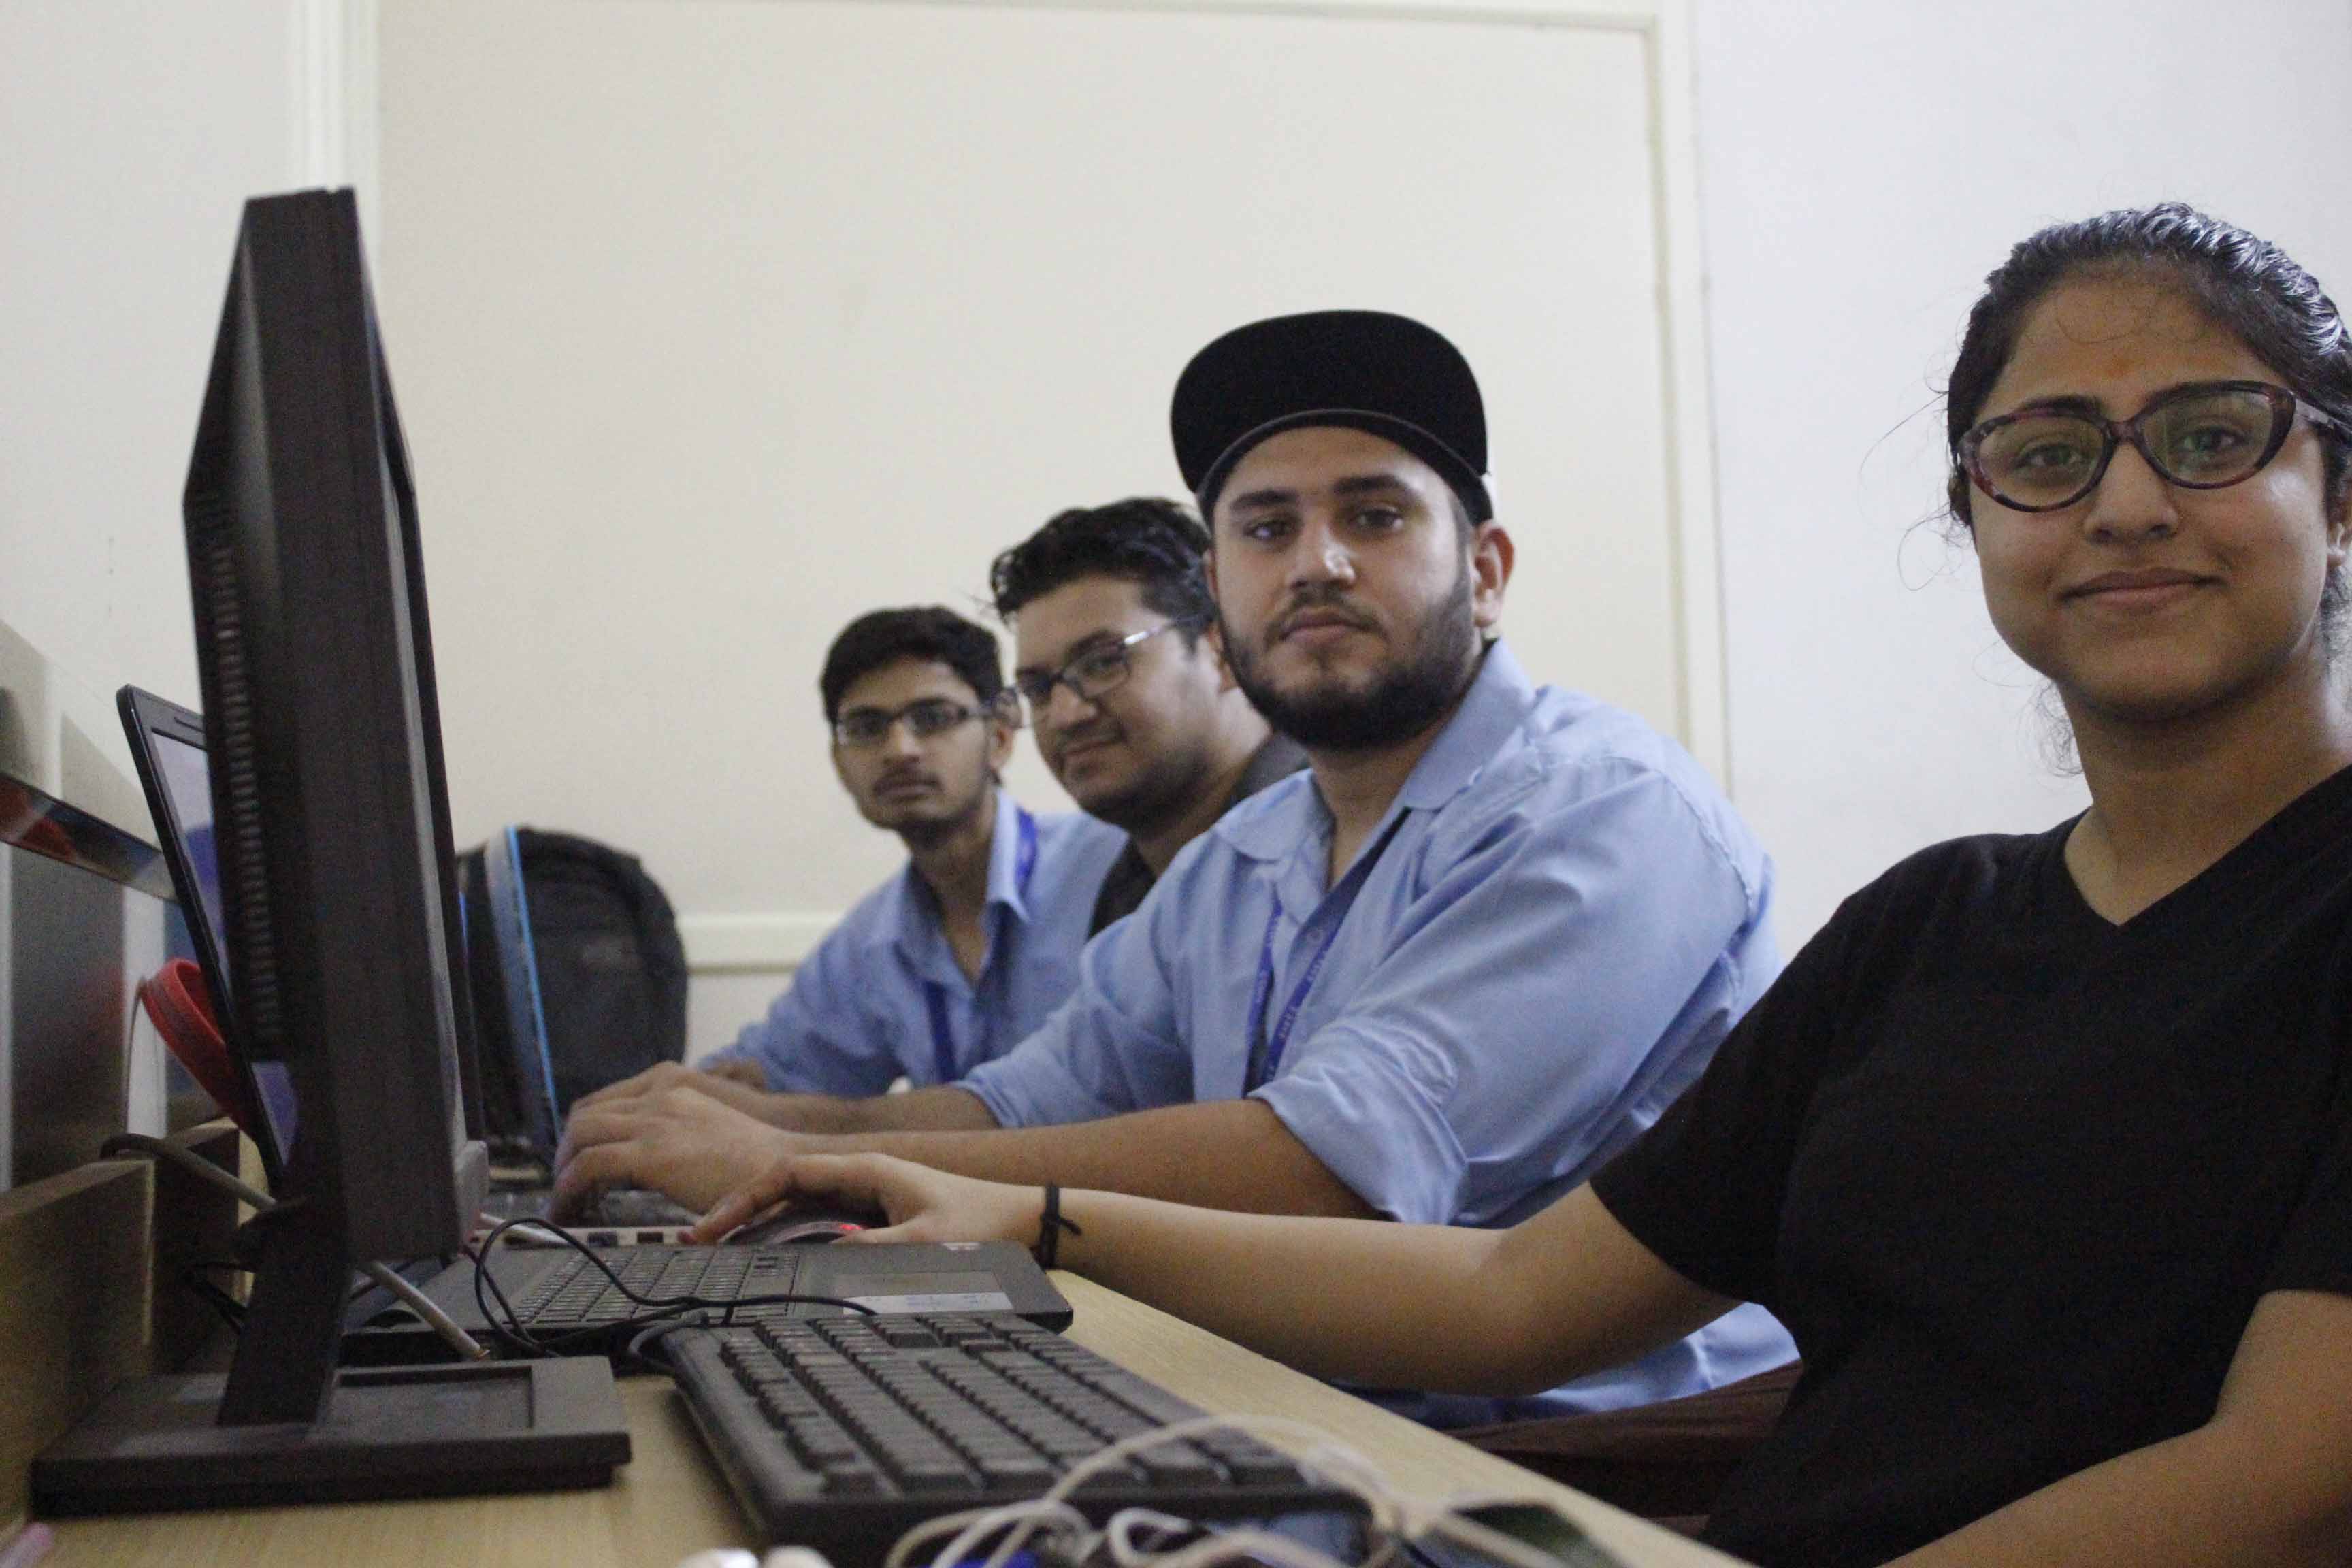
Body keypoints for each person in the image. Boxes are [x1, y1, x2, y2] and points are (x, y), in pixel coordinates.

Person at [701, 207, 2352, 1567]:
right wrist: (1022, 1212)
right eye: (2046, 454)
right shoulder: (1928, 927)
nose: (2125, 505)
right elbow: (1520, 1292)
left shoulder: (1609, 810)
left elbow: (2287, 1482)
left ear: (2336, 497)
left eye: (2209, 437)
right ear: (1976, 514)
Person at [561, 310, 1795, 1415]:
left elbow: (1328, 1174)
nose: (1315, 561)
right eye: (1266, 527)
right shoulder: (1245, 855)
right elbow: (1023, 1103)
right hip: (1283, 1410)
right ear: (1221, 590)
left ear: (1483, 573)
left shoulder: (1601, 811)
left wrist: (798, 1164)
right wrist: (755, 1124)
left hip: (1584, 1460)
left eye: (1374, 515)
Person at [694, 607, 1126, 1096]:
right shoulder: (871, 942)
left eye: (933, 718)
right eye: (866, 727)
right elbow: (768, 1072)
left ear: (1001, 737)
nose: (899, 749)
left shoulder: (1112, 866)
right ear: (839, 763)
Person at [987, 496, 1303, 932]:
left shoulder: (1341, 832)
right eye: (1039, 688)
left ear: (1223, 652)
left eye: (1102, 663)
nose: (1065, 715)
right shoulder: (1125, 897)